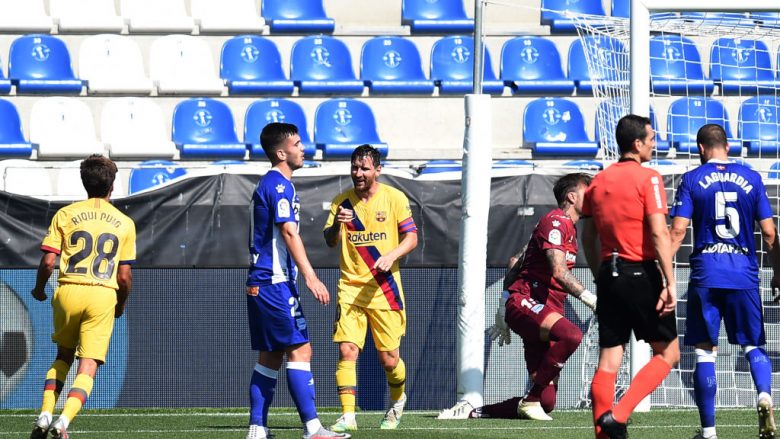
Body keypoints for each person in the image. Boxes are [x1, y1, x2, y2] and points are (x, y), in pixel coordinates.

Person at [669, 124, 780, 439]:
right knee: (753, 344)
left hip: (706, 273)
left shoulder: (692, 179)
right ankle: (764, 395)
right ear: (728, 146)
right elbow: (770, 235)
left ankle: (709, 433)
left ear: (701, 148)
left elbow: (677, 231)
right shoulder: (752, 178)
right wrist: (779, 274)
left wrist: (663, 273)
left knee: (705, 352)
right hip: (743, 273)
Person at [245, 123, 348, 439]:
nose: (303, 148)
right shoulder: (279, 186)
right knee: (301, 351)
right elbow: (289, 231)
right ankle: (313, 428)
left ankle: (257, 429)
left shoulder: (272, 185)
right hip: (274, 282)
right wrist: (311, 276)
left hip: (262, 282)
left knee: (271, 357)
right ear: (281, 152)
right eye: (297, 143)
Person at [581, 114, 680, 439]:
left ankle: (603, 434)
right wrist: (669, 281)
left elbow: (587, 235)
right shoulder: (648, 178)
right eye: (651, 139)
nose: (655, 143)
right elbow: (657, 233)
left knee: (609, 360)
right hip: (641, 272)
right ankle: (619, 416)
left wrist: (599, 273)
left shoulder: (598, 181)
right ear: (637, 144)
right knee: (668, 352)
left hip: (609, 274)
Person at [30, 154, 136, 439]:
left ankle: (43, 414)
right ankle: (62, 422)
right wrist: (120, 305)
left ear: (84, 183)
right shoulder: (124, 222)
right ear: (112, 186)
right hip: (101, 294)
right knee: (88, 364)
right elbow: (124, 276)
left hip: (68, 290)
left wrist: (39, 289)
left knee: (62, 355)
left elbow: (49, 262)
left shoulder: (65, 214)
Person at [475, 173, 597, 421]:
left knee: (547, 402)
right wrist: (593, 300)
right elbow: (559, 272)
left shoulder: (567, 227)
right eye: (589, 190)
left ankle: (477, 412)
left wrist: (501, 304)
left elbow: (515, 261)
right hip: (526, 301)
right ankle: (529, 400)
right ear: (572, 197)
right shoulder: (557, 221)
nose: (595, 196)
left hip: (546, 308)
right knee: (571, 335)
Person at [323, 144, 418, 432]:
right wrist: (337, 226)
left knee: (389, 359)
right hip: (350, 287)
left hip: (384, 288)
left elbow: (411, 237)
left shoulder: (394, 198)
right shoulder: (342, 202)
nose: (358, 173)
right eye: (354, 167)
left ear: (377, 170)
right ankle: (348, 415)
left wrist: (391, 255)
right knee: (347, 350)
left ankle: (398, 401)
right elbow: (329, 241)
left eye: (364, 168)